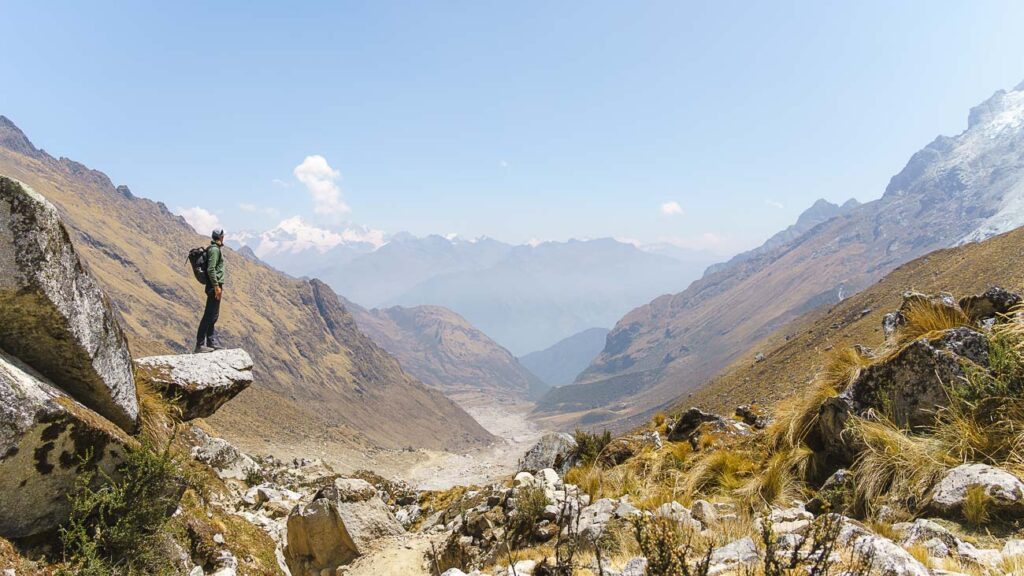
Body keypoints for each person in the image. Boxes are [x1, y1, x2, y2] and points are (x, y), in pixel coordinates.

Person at [195, 228, 226, 353]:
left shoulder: (215, 249)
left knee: (213, 315)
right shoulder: (214, 250)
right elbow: (211, 269)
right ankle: (200, 344)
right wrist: (216, 286)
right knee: (208, 315)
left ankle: (211, 341)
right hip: (214, 286)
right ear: (220, 237)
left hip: (215, 286)